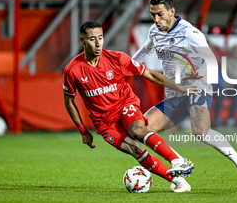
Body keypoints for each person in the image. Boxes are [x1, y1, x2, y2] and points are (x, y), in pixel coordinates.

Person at [133, 0, 237, 188]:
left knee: (200, 131)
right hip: (175, 94)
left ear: (172, 11)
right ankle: (179, 175)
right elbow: (144, 51)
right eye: (153, 14)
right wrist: (125, 67)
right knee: (141, 129)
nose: (156, 19)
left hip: (197, 88)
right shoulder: (154, 31)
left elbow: (210, 62)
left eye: (160, 14)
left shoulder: (190, 33)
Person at [63, 21, 197, 193]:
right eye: (92, 39)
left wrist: (179, 88)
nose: (98, 43)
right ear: (82, 40)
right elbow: (69, 101)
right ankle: (179, 181)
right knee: (135, 149)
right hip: (104, 123)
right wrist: (83, 131)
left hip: (125, 105)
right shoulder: (73, 70)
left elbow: (149, 74)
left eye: (100, 38)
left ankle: (176, 160)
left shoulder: (118, 59)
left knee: (137, 130)